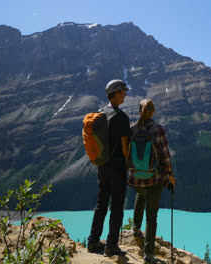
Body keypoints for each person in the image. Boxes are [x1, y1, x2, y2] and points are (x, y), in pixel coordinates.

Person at [128, 98, 176, 264]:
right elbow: (165, 156)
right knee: (152, 216)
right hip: (154, 178)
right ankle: (148, 255)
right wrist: (169, 176)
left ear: (139, 111)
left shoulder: (132, 129)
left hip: (136, 177)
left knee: (140, 195)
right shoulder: (158, 130)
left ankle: (135, 229)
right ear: (153, 112)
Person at [87, 79, 130, 257]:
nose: (125, 94)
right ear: (117, 92)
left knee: (101, 204)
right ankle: (112, 245)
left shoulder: (101, 113)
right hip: (117, 168)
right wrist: (129, 166)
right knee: (117, 206)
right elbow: (125, 146)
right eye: (124, 91)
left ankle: (93, 241)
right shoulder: (121, 117)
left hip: (102, 166)